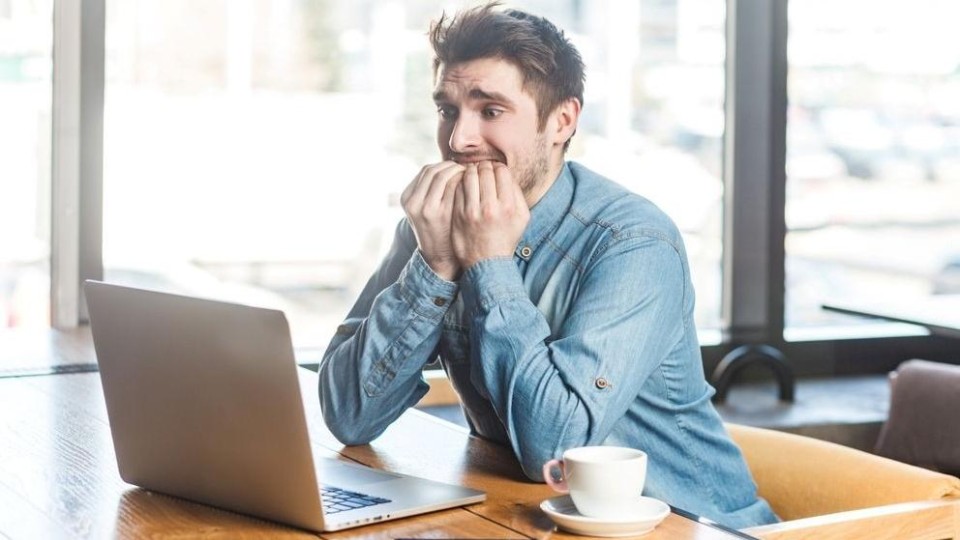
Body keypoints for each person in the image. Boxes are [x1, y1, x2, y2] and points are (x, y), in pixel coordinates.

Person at [318, 2, 778, 528]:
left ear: (561, 121)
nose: (459, 139)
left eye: (490, 111)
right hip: (541, 524)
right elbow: (349, 414)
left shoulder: (633, 242)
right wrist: (435, 265)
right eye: (448, 110)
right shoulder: (434, 228)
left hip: (697, 527)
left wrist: (490, 263)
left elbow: (555, 448)